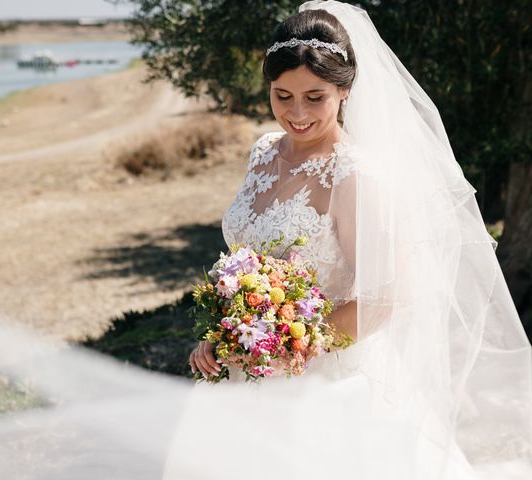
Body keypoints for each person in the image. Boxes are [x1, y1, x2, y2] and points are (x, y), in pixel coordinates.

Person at [182, 1, 532, 478]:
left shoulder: (354, 176)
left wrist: (286, 344)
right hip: (246, 367)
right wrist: (223, 335)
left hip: (323, 383)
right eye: (282, 96)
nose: (297, 113)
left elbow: (387, 297)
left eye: (314, 96)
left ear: (345, 91)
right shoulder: (263, 151)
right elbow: (246, 261)